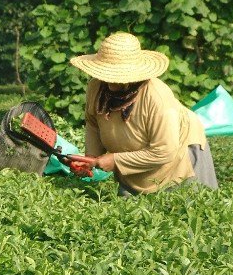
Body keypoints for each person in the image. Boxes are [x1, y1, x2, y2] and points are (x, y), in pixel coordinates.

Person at [68, 31, 218, 195]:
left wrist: (116, 161)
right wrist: (91, 157)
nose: (109, 81)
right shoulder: (96, 88)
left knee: (189, 207)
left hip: (179, 154)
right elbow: (93, 123)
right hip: (135, 159)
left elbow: (164, 151)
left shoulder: (156, 97)